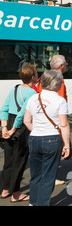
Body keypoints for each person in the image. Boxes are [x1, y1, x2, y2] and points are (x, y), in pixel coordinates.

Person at [23, 70, 71, 206]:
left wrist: (37, 130)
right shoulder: (60, 101)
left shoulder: (33, 98)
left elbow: (27, 120)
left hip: (34, 138)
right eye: (60, 82)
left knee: (35, 174)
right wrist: (66, 145)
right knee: (48, 176)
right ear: (55, 84)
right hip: (52, 138)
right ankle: (42, 203)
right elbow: (64, 124)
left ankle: (33, 202)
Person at [0, 64, 38, 202]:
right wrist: (12, 130)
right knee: (19, 161)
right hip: (20, 129)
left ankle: (5, 190)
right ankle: (16, 193)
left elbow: (3, 109)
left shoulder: (14, 89)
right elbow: (22, 115)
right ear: (33, 77)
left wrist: (4, 128)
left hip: (9, 122)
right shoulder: (33, 93)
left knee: (8, 160)